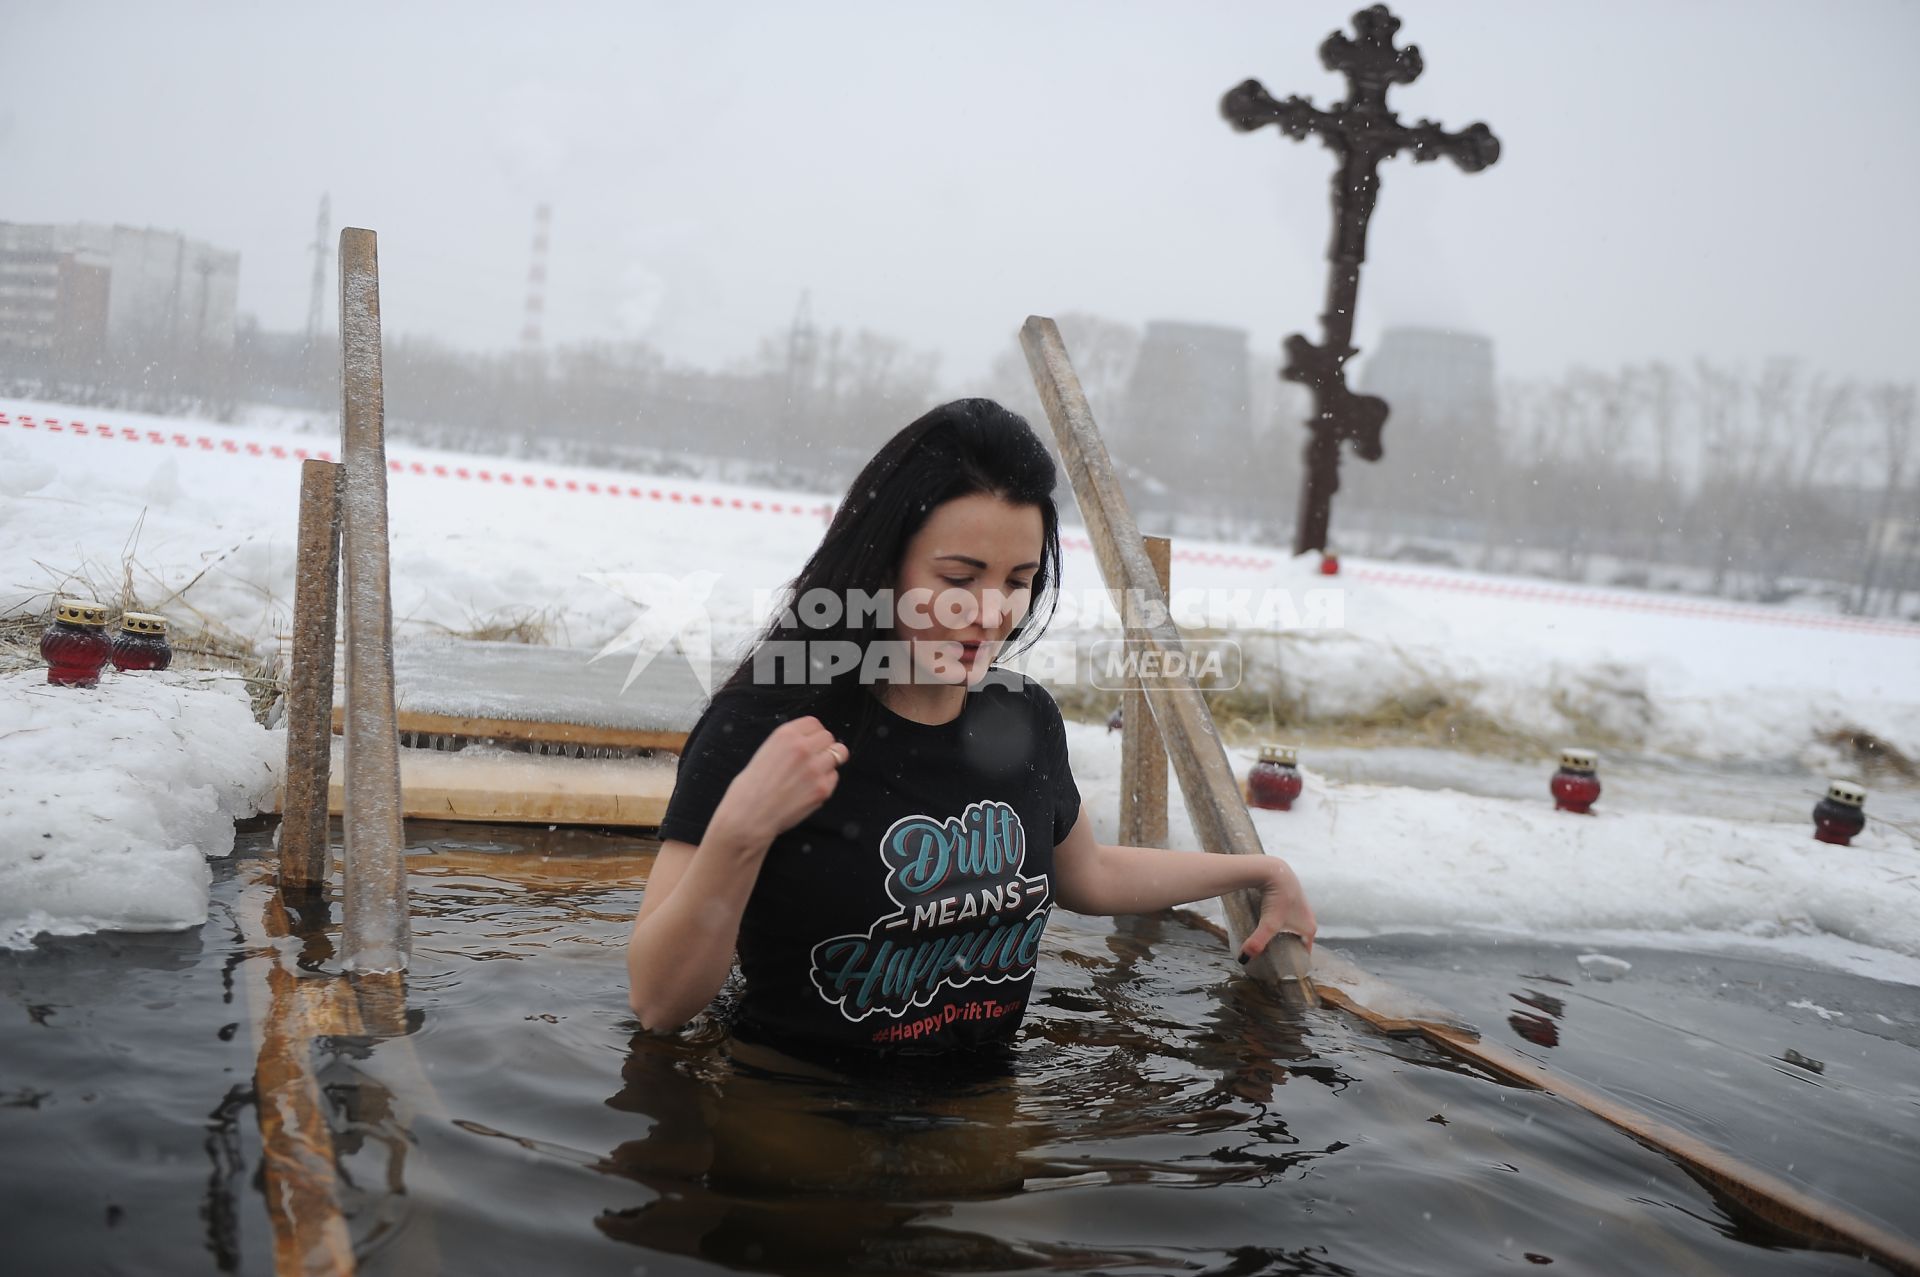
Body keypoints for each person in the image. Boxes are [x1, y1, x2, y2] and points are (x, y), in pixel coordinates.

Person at [626, 398, 1315, 1066]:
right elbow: (659, 1003)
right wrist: (740, 831)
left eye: (1019, 580)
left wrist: (1260, 870)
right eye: (959, 577)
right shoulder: (767, 723)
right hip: (796, 1112)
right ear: (880, 564)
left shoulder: (1024, 715)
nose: (991, 613)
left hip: (981, 1121)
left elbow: (1090, 875)